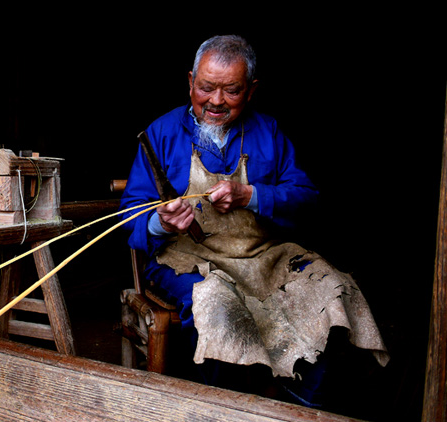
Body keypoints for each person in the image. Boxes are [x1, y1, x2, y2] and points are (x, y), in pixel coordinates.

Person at [120, 35, 389, 407]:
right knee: (217, 306)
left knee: (333, 290)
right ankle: (225, 408)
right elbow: (130, 213)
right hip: (186, 261)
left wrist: (252, 196)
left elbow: (307, 198)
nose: (216, 101)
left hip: (264, 257)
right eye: (206, 88)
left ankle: (298, 405)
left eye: (231, 90)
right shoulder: (161, 133)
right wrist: (159, 223)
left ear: (251, 90)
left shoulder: (269, 131)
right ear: (190, 82)